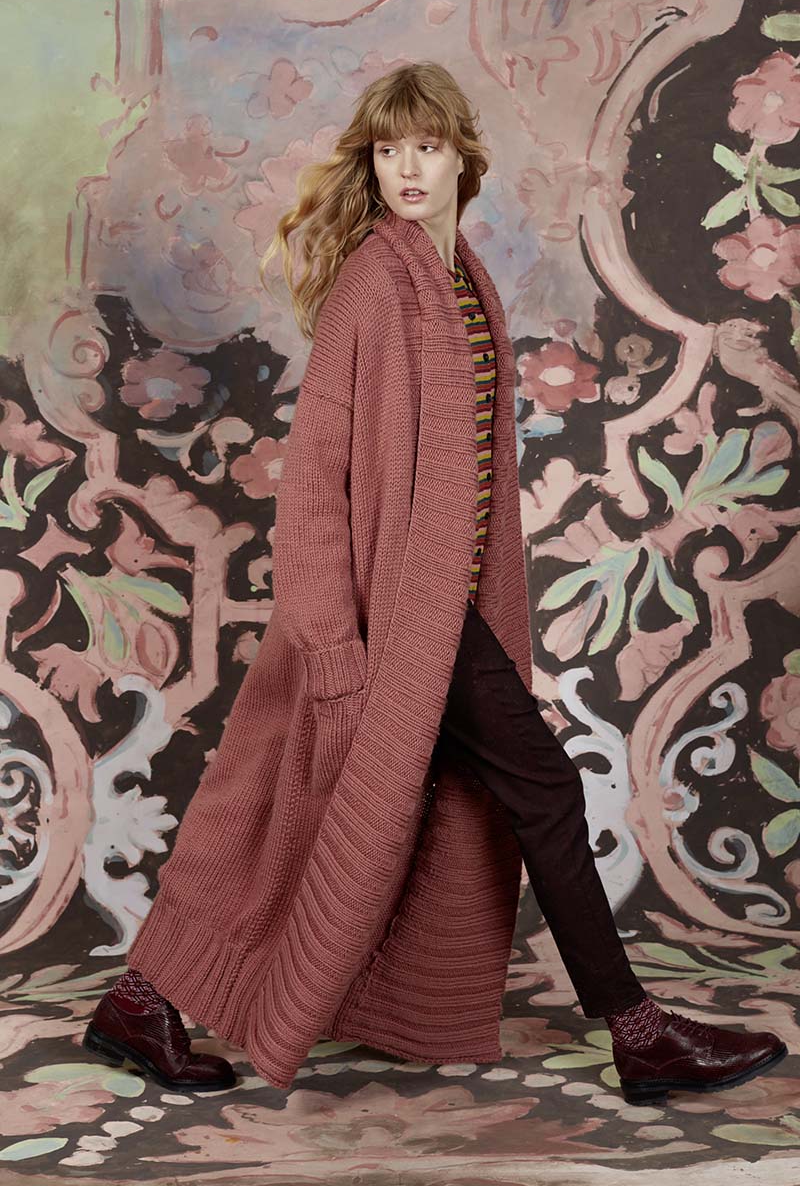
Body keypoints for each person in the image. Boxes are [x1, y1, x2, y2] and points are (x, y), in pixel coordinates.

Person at [83, 62, 786, 1104]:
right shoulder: (378, 281)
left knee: (295, 812)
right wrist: (333, 645)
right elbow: (314, 481)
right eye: (387, 149)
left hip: (434, 608)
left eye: (426, 146)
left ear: (463, 155)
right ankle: (639, 1036)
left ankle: (139, 1002)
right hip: (390, 613)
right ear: (370, 161)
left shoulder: (458, 275)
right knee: (514, 789)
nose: (407, 168)